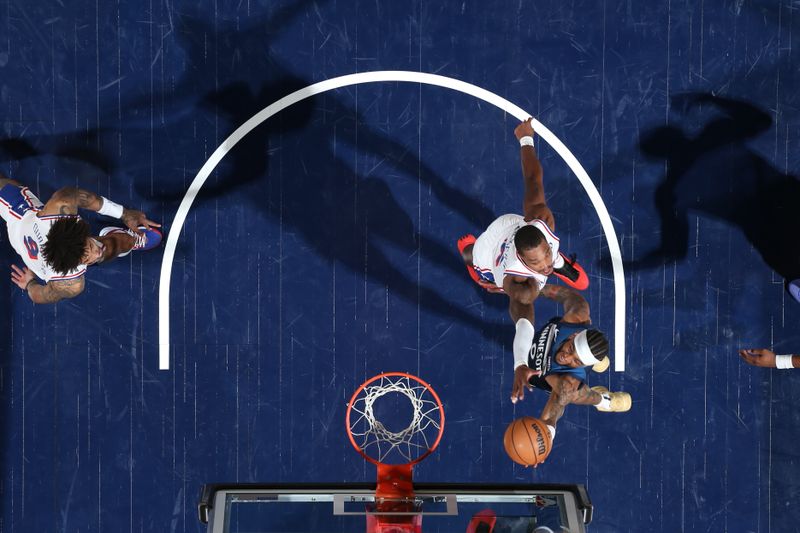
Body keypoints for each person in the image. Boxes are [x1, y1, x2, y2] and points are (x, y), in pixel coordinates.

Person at [457, 119, 589, 358]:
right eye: (538, 264)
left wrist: (525, 138)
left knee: (550, 256)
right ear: (525, 263)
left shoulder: (541, 219)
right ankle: (468, 250)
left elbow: (532, 178)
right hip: (489, 255)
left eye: (547, 255)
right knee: (474, 263)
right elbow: (524, 322)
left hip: (511, 224)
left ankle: (562, 265)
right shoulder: (517, 282)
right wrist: (520, 362)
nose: (544, 264)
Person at [1, 174, 161, 303]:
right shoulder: (69, 283)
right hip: (19, 229)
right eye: (85, 258)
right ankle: (124, 239)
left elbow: (86, 199)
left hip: (18, 212)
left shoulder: (61, 205)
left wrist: (125, 214)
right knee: (115, 245)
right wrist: (30, 284)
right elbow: (42, 295)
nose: (96, 254)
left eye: (89, 246)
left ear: (78, 233)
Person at [509, 284, 631, 445]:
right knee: (588, 353)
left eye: (576, 361)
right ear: (574, 335)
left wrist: (546, 436)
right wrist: (534, 290)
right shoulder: (577, 314)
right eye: (571, 348)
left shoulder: (567, 383)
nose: (565, 357)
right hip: (545, 346)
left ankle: (604, 400)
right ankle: (597, 361)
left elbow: (551, 415)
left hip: (557, 382)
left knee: (579, 395)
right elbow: (563, 294)